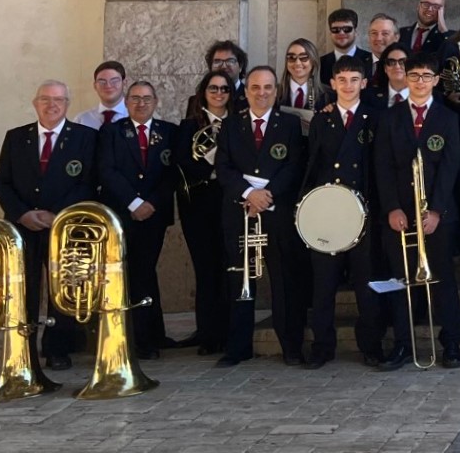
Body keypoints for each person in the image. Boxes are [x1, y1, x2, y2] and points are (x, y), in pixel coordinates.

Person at [0, 80, 98, 371]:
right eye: (45, 99)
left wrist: (57, 215)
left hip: (63, 227)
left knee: (60, 288)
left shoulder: (84, 137)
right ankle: (23, 347)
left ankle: (57, 349)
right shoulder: (16, 137)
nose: (52, 105)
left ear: (68, 103)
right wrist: (23, 213)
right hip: (23, 227)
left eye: (59, 100)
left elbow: (88, 182)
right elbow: (1, 181)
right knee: (24, 287)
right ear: (35, 102)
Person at [302, 56, 397, 369]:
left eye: (354, 79)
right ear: (332, 83)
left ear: (364, 83)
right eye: (341, 80)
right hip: (328, 212)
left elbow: (382, 166)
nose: (347, 85)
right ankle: (322, 346)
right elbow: (313, 165)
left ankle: (371, 345)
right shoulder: (322, 119)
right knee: (323, 285)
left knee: (366, 284)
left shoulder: (376, 117)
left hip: (363, 213)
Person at [374, 52, 460, 367]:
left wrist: (436, 211)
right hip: (400, 213)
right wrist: (392, 208)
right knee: (401, 281)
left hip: (437, 215)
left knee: (443, 280)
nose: (420, 81)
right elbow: (382, 167)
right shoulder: (389, 117)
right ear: (404, 78)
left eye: (427, 76)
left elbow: (451, 168)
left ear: (437, 80)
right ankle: (402, 343)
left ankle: (451, 343)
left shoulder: (448, 118)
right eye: (414, 75)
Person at [216, 66, 307, 367]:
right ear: (246, 91)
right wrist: (247, 194)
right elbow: (224, 167)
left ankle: (291, 346)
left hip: (277, 212)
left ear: (276, 91)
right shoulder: (231, 126)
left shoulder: (290, 124)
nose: (262, 93)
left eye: (268, 87)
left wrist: (266, 195)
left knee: (284, 282)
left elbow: (294, 166)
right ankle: (238, 347)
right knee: (240, 280)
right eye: (255, 87)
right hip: (240, 212)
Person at [95, 79, 176, 360]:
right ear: (126, 102)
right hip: (123, 213)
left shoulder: (169, 132)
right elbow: (107, 170)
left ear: (156, 102)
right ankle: (142, 339)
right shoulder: (112, 132)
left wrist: (151, 203)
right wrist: (134, 202)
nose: (141, 103)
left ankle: (153, 333)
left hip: (154, 214)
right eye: (135, 98)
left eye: (147, 98)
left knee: (146, 269)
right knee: (134, 272)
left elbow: (172, 174)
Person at [174, 71, 233, 355]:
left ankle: (230, 332)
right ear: (203, 92)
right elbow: (182, 160)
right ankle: (208, 335)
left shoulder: (237, 123)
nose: (219, 93)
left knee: (229, 267)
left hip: (229, 201)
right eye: (213, 88)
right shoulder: (188, 126)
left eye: (224, 89)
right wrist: (211, 169)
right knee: (205, 269)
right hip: (198, 204)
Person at [279, 37, 328, 132]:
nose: (297, 63)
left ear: (313, 61)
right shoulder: (274, 93)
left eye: (304, 58)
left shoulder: (329, 96)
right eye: (291, 57)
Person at [73, 60, 128, 128]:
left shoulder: (137, 118)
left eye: (114, 81)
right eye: (102, 82)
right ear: (95, 85)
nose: (108, 86)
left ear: (124, 83)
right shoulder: (81, 120)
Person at [319, 8, 368, 84]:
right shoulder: (319, 64)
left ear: (355, 32)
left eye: (347, 29)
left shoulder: (370, 61)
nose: (341, 33)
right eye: (336, 29)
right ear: (330, 33)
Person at [206, 40, 251, 109]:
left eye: (230, 61)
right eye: (217, 61)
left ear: (240, 66)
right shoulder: (198, 99)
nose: (224, 66)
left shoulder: (252, 97)